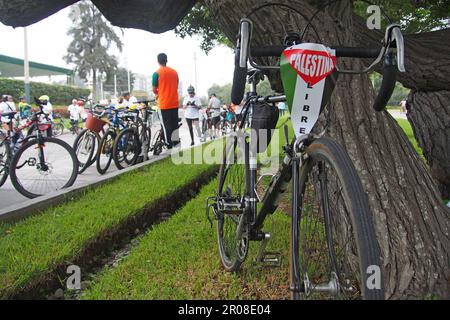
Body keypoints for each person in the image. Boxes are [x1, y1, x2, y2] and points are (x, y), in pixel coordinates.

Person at [152, 53, 180, 148]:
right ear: (166, 60)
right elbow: (176, 85)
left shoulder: (156, 74)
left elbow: (154, 89)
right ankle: (176, 143)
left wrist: (159, 93)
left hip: (164, 104)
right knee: (175, 125)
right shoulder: (174, 72)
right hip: (174, 103)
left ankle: (169, 145)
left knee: (166, 126)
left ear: (158, 61)